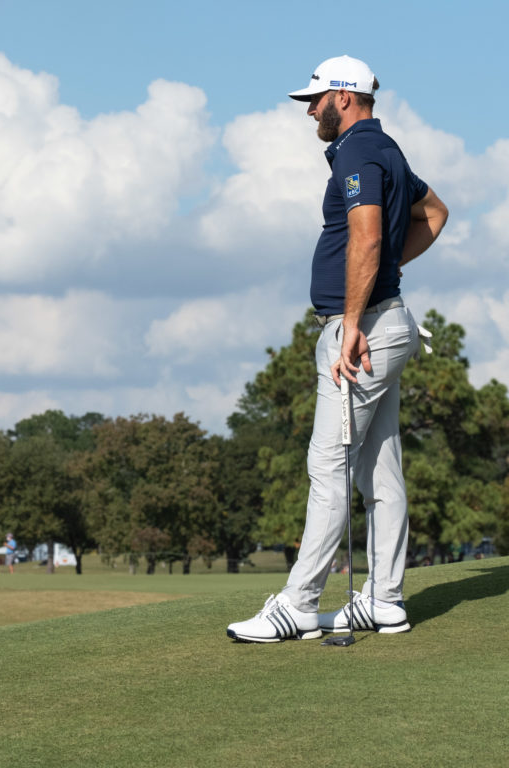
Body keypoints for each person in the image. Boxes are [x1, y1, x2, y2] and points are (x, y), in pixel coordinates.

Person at [227, 56, 447, 643]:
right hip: (383, 320)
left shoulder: (356, 150)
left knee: (328, 465)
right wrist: (377, 279)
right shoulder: (389, 150)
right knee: (380, 466)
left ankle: (299, 604)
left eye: (315, 100)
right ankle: (385, 601)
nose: (308, 112)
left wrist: (354, 313)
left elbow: (369, 235)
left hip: (364, 330)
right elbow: (434, 212)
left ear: (344, 96)